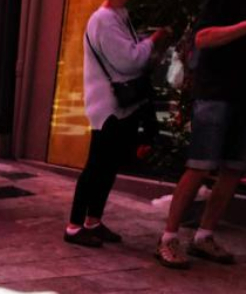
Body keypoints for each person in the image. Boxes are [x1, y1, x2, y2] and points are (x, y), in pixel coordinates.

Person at [158, 1, 246, 269]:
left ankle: (204, 236)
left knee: (233, 170)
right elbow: (204, 38)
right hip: (217, 93)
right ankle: (169, 238)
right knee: (199, 166)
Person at [62, 0, 170, 245]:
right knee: (96, 166)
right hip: (108, 106)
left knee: (108, 167)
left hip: (121, 105)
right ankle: (74, 226)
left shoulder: (119, 15)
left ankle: (93, 220)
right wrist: (153, 40)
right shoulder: (103, 19)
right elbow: (129, 60)